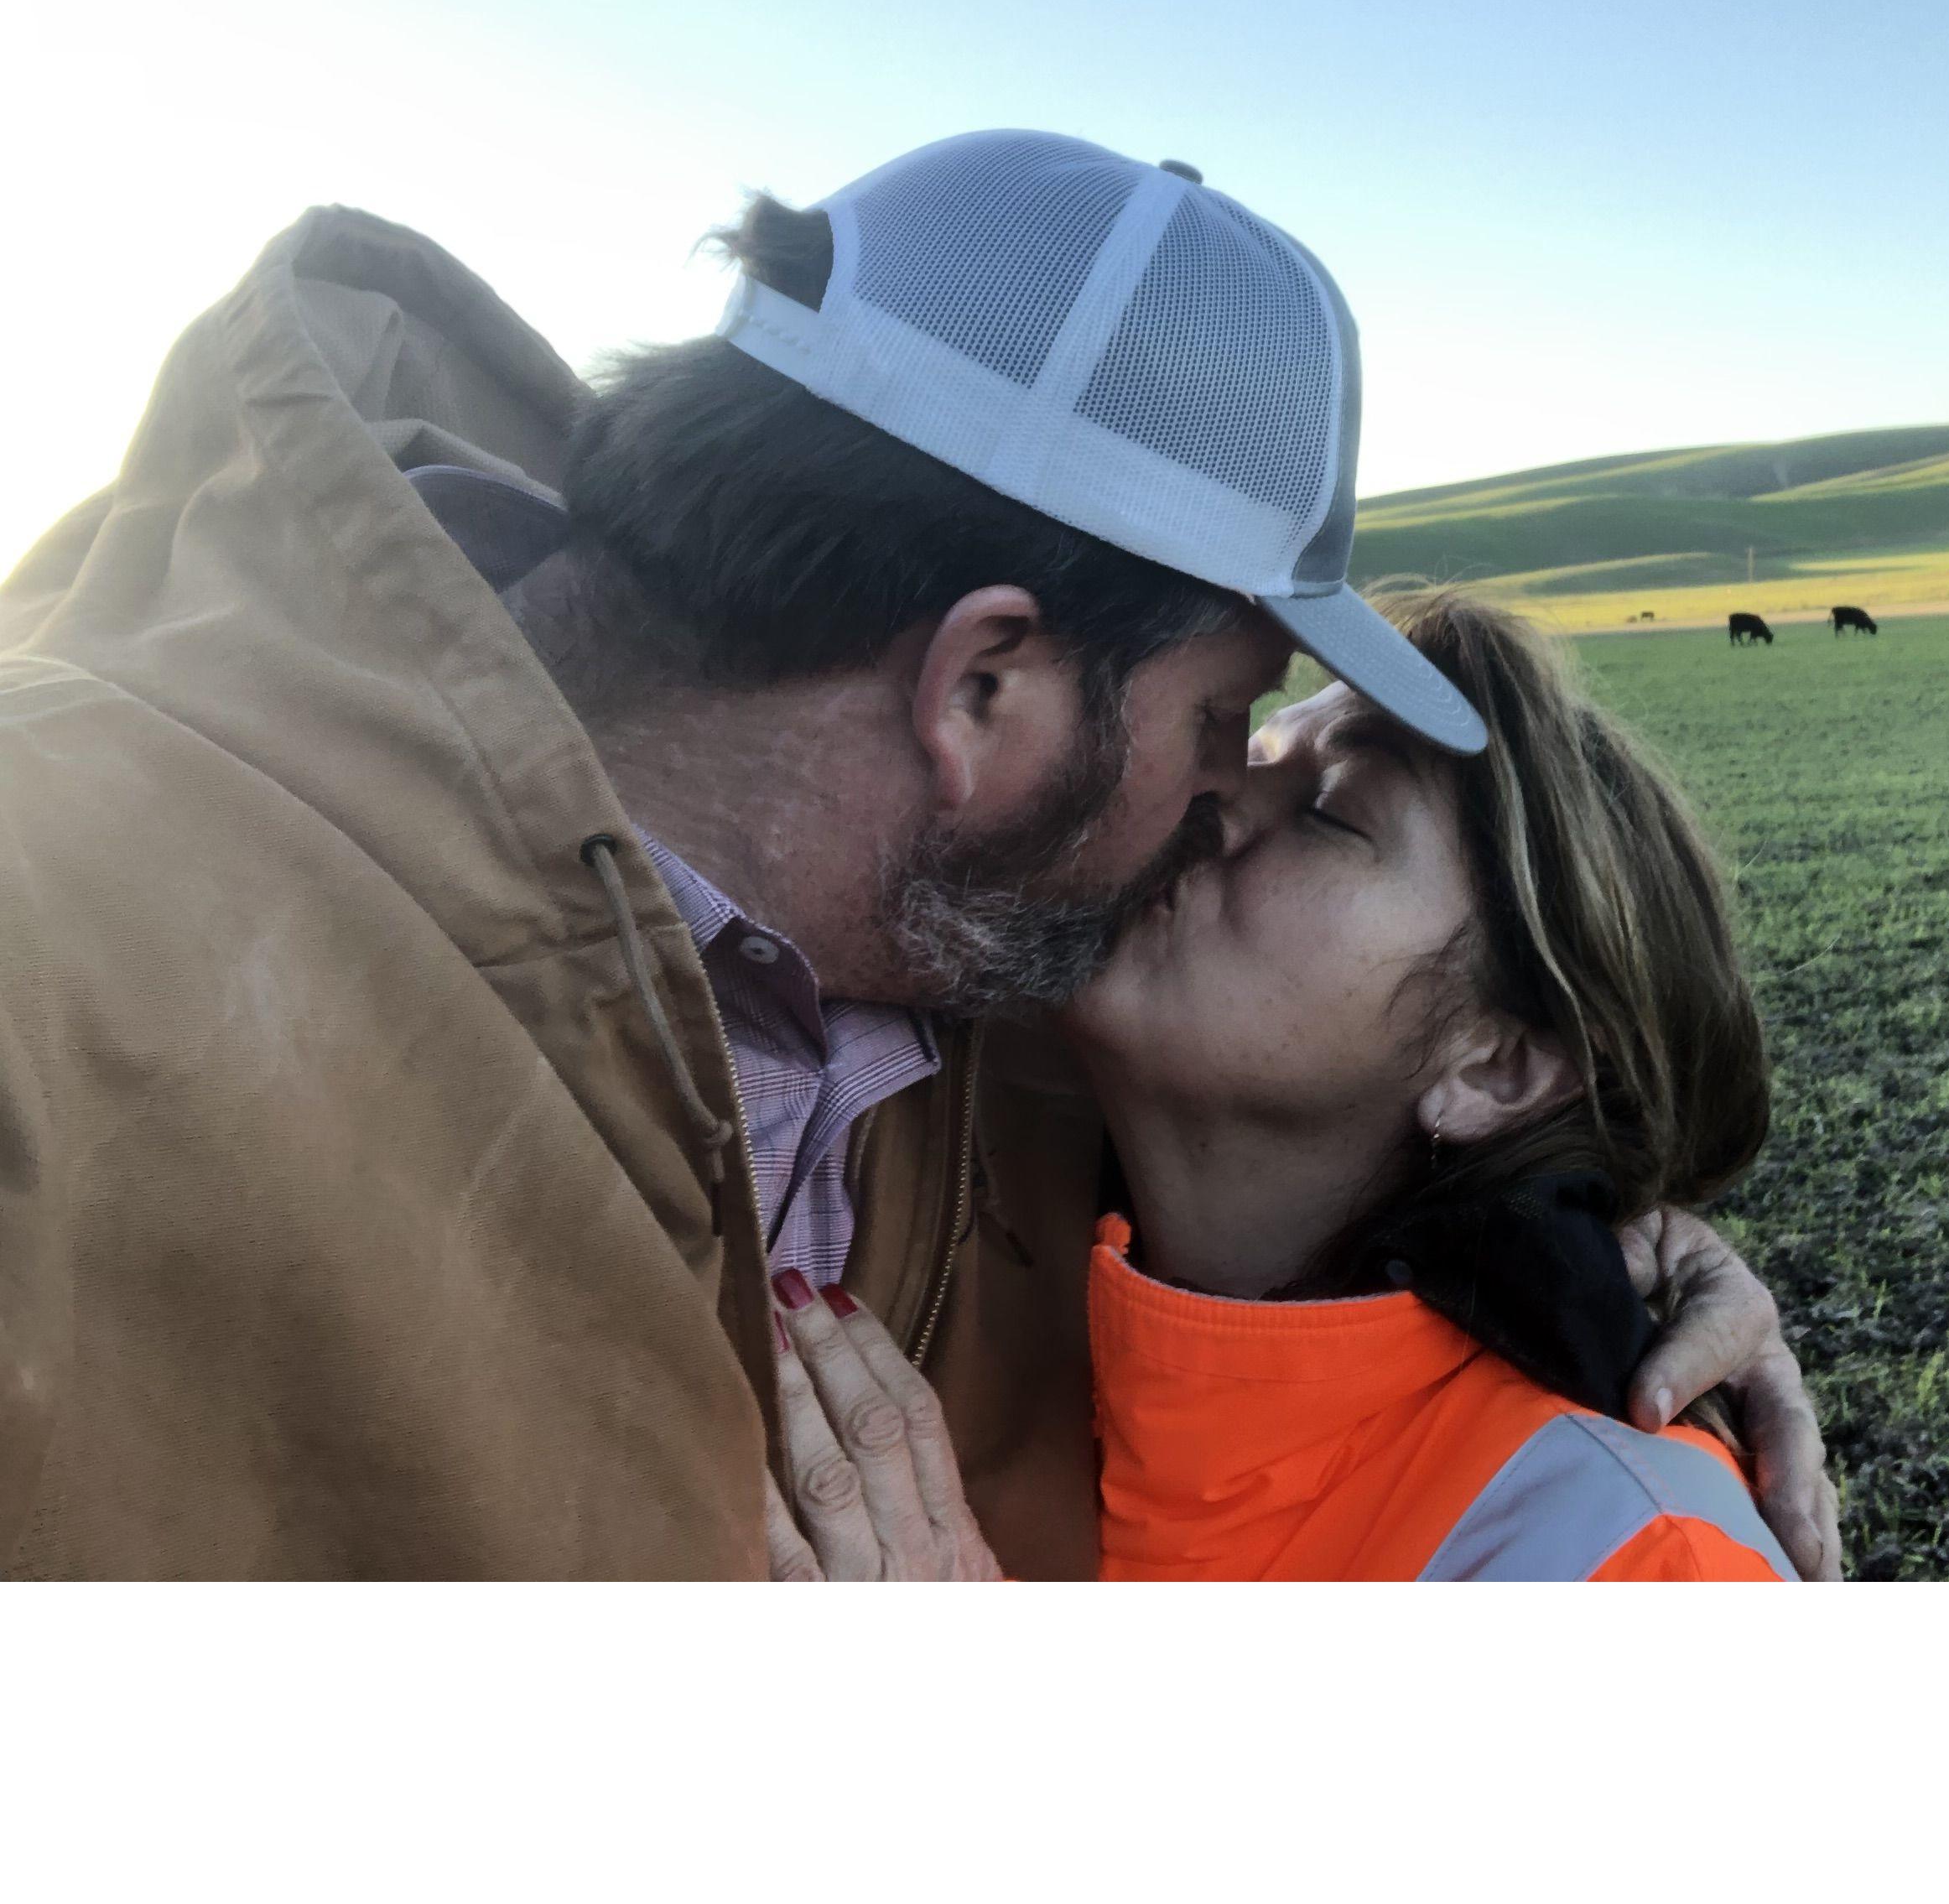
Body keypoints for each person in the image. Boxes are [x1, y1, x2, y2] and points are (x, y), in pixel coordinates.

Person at [0, 130, 1833, 1578]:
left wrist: (1580, 1263)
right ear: (982, 686)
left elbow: (1334, 1176)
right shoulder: (61, 964)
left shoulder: (978, 959)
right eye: (1223, 719)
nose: (1221, 797)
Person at [768, 586, 1818, 1580]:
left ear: (1495, 1067)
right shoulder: (932, 1130)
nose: (1211, 789)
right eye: (1255, 744)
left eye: (1329, 810)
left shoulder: (1630, 1556)